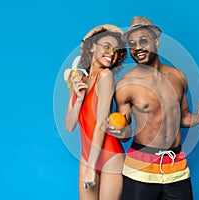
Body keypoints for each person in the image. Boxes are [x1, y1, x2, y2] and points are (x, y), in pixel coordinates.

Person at [109, 16, 199, 200]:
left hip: (176, 167)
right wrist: (118, 131)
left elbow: (184, 117)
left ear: (156, 42)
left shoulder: (178, 77)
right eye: (132, 44)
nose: (137, 47)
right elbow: (124, 131)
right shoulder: (126, 85)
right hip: (140, 169)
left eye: (143, 41)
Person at [65, 24, 127, 200]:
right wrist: (78, 99)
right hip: (87, 157)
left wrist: (91, 167)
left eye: (116, 50)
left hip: (110, 157)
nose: (111, 53)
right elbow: (69, 125)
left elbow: (101, 123)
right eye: (106, 46)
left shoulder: (106, 76)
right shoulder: (79, 80)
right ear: (92, 46)